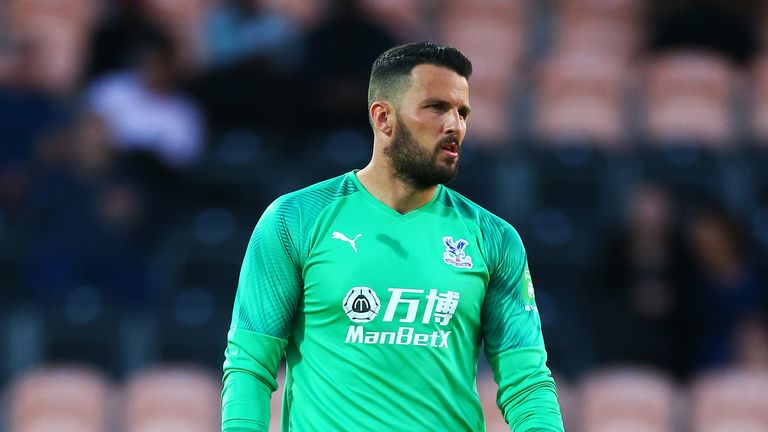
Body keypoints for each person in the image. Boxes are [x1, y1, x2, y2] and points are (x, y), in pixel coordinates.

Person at [221, 42, 564, 431]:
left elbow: (527, 381)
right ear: (383, 117)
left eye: (462, 112)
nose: (455, 126)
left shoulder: (494, 238)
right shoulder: (295, 219)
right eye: (436, 107)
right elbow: (250, 363)